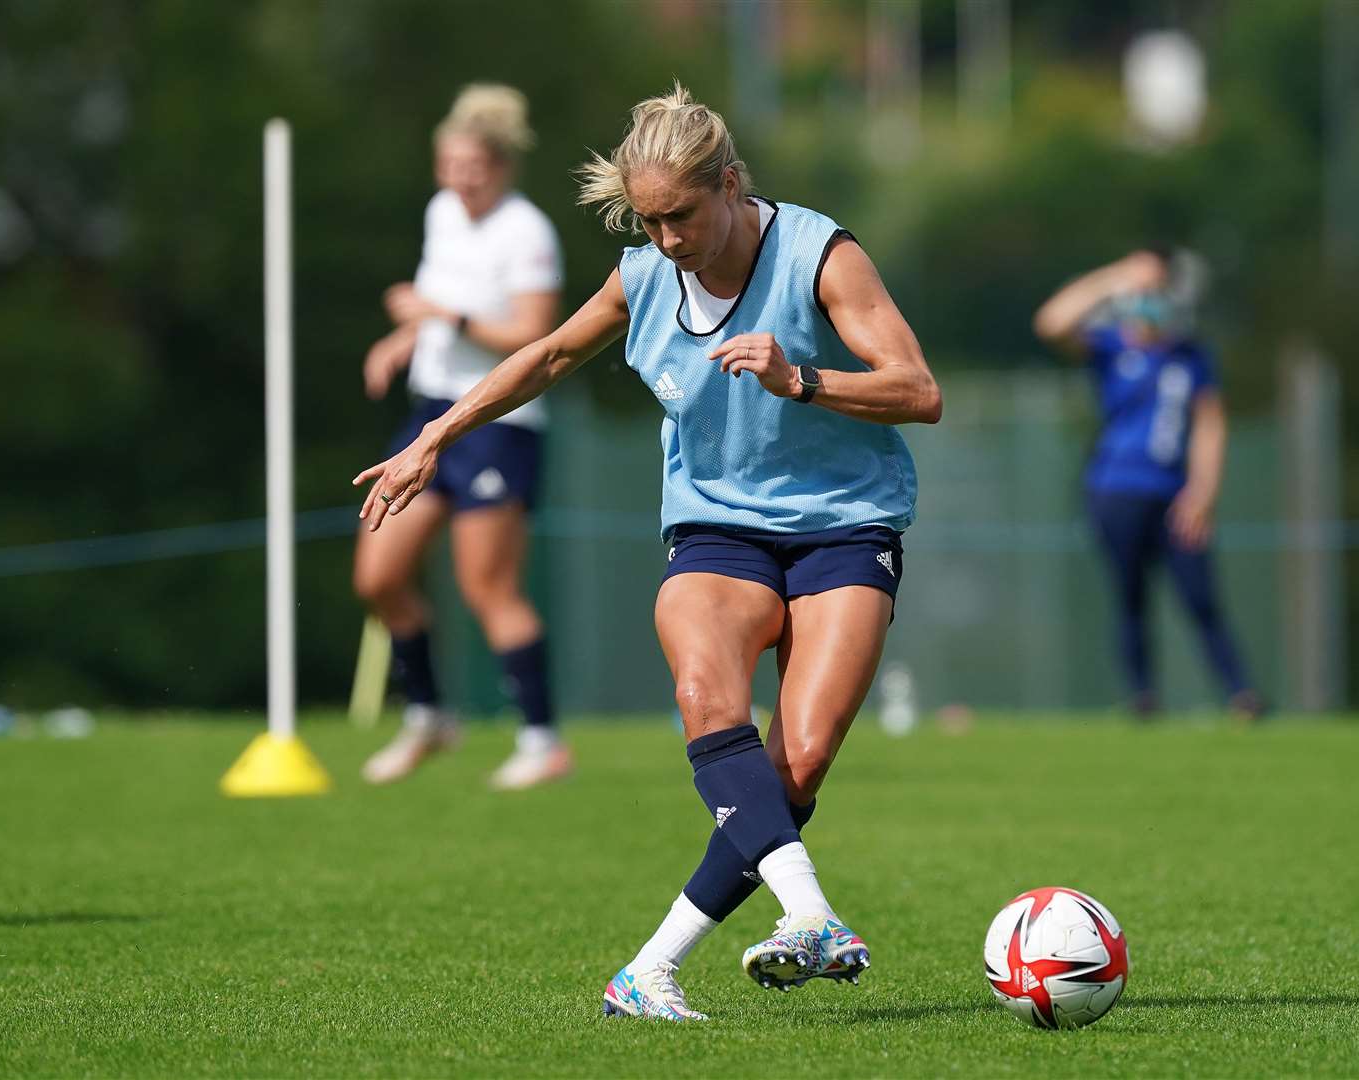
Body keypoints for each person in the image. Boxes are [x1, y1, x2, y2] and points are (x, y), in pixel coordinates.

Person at [354, 84, 941, 1019]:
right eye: (646, 220)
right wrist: (437, 436)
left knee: (797, 764)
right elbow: (545, 357)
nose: (666, 239)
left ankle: (648, 971)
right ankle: (813, 914)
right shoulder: (642, 277)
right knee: (707, 696)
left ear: (730, 185)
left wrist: (801, 378)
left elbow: (917, 389)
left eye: (681, 216)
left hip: (844, 522)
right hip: (716, 526)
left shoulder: (820, 252)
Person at [354, 84, 572, 790]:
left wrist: (439, 317)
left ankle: (541, 739)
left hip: (498, 423)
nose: (458, 177)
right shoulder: (441, 213)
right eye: (448, 163)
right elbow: (435, 309)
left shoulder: (527, 232)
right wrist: (403, 337)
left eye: (472, 164)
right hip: (429, 415)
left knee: (487, 587)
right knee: (378, 575)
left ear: (502, 164)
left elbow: (534, 336)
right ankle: (430, 718)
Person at [1033, 249, 1262, 719]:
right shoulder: (1111, 346)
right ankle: (1143, 698)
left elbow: (1210, 425)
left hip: (1175, 494)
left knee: (1201, 597)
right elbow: (1050, 324)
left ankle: (1242, 696)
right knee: (1131, 597)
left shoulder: (1190, 355)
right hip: (1116, 491)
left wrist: (1203, 492)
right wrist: (1112, 277)